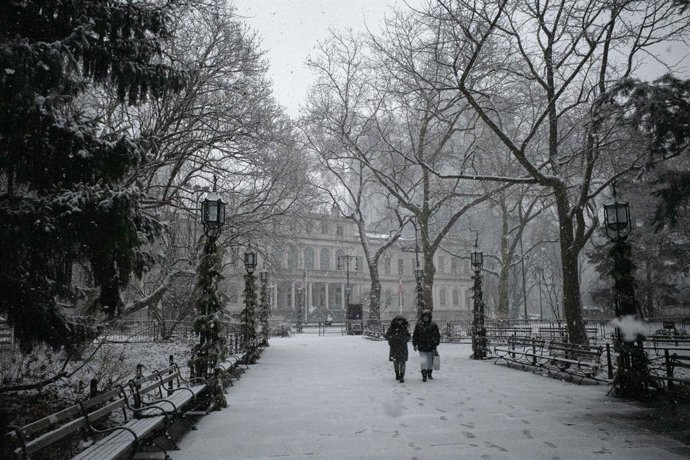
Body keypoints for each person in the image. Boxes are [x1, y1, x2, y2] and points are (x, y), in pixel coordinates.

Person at [412, 310, 440, 382]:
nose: (425, 318)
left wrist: (436, 342)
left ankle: (429, 373)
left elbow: (437, 335)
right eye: (424, 317)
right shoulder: (419, 325)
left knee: (430, 361)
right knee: (423, 361)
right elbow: (415, 335)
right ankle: (424, 374)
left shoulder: (433, 325)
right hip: (422, 346)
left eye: (427, 317)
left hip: (431, 346)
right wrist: (415, 344)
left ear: (429, 317)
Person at [385, 315, 410, 383]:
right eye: (398, 321)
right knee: (396, 362)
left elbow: (408, 336)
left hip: (403, 348)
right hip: (394, 347)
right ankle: (397, 374)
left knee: (402, 362)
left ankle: (402, 376)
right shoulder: (392, 328)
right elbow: (387, 336)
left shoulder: (404, 328)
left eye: (401, 321)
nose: (400, 322)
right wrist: (393, 339)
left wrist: (404, 340)